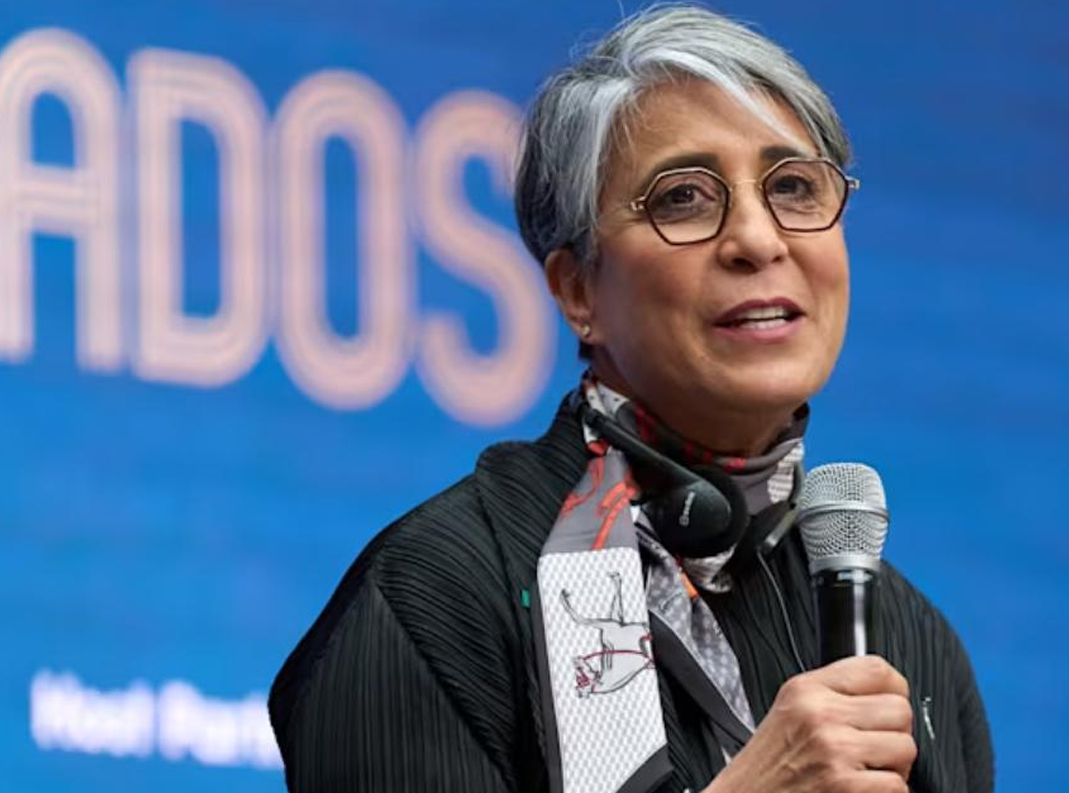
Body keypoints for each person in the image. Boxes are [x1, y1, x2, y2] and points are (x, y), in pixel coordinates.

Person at [268, 6, 994, 792]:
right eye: (683, 197)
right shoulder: (439, 595)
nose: (759, 239)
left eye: (793, 186)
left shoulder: (911, 642)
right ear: (578, 290)